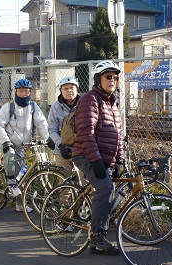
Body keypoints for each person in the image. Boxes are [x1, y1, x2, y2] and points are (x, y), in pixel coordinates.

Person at [72, 60, 124, 255]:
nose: (113, 80)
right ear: (98, 80)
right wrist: (95, 160)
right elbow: (85, 133)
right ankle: (96, 237)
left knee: (120, 191)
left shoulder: (113, 102)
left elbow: (118, 135)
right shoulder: (90, 99)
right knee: (106, 188)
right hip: (86, 154)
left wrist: (119, 160)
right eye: (108, 77)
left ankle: (98, 220)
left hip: (105, 158)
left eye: (115, 77)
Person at [0, 78, 49, 212]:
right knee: (11, 154)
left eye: (26, 91)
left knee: (22, 174)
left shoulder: (33, 107)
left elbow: (41, 123)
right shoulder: (8, 107)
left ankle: (20, 204)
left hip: (21, 145)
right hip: (6, 142)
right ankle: (10, 182)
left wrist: (48, 138)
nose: (24, 94)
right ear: (16, 92)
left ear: (30, 92)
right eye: (21, 91)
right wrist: (6, 142)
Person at [47, 76, 80, 174]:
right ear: (60, 90)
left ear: (77, 89)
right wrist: (61, 145)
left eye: (72, 88)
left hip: (81, 150)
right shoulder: (55, 106)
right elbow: (52, 129)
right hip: (62, 150)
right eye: (65, 88)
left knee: (86, 182)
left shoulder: (85, 104)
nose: (69, 91)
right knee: (65, 182)